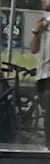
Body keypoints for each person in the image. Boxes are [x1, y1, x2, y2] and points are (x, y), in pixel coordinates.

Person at [33, 17, 50, 147]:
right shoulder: (43, 22)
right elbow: (33, 49)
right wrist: (36, 31)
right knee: (45, 110)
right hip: (42, 74)